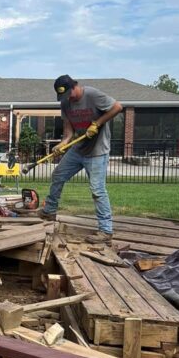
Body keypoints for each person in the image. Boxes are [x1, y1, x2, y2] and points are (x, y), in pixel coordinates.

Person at [38, 75, 123, 245]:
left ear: (75, 86)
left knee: (97, 190)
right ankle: (50, 210)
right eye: (64, 96)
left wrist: (97, 124)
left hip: (98, 151)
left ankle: (106, 230)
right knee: (58, 175)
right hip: (78, 150)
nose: (68, 98)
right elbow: (69, 131)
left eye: (69, 94)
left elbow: (117, 107)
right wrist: (63, 144)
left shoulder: (92, 95)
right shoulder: (65, 103)